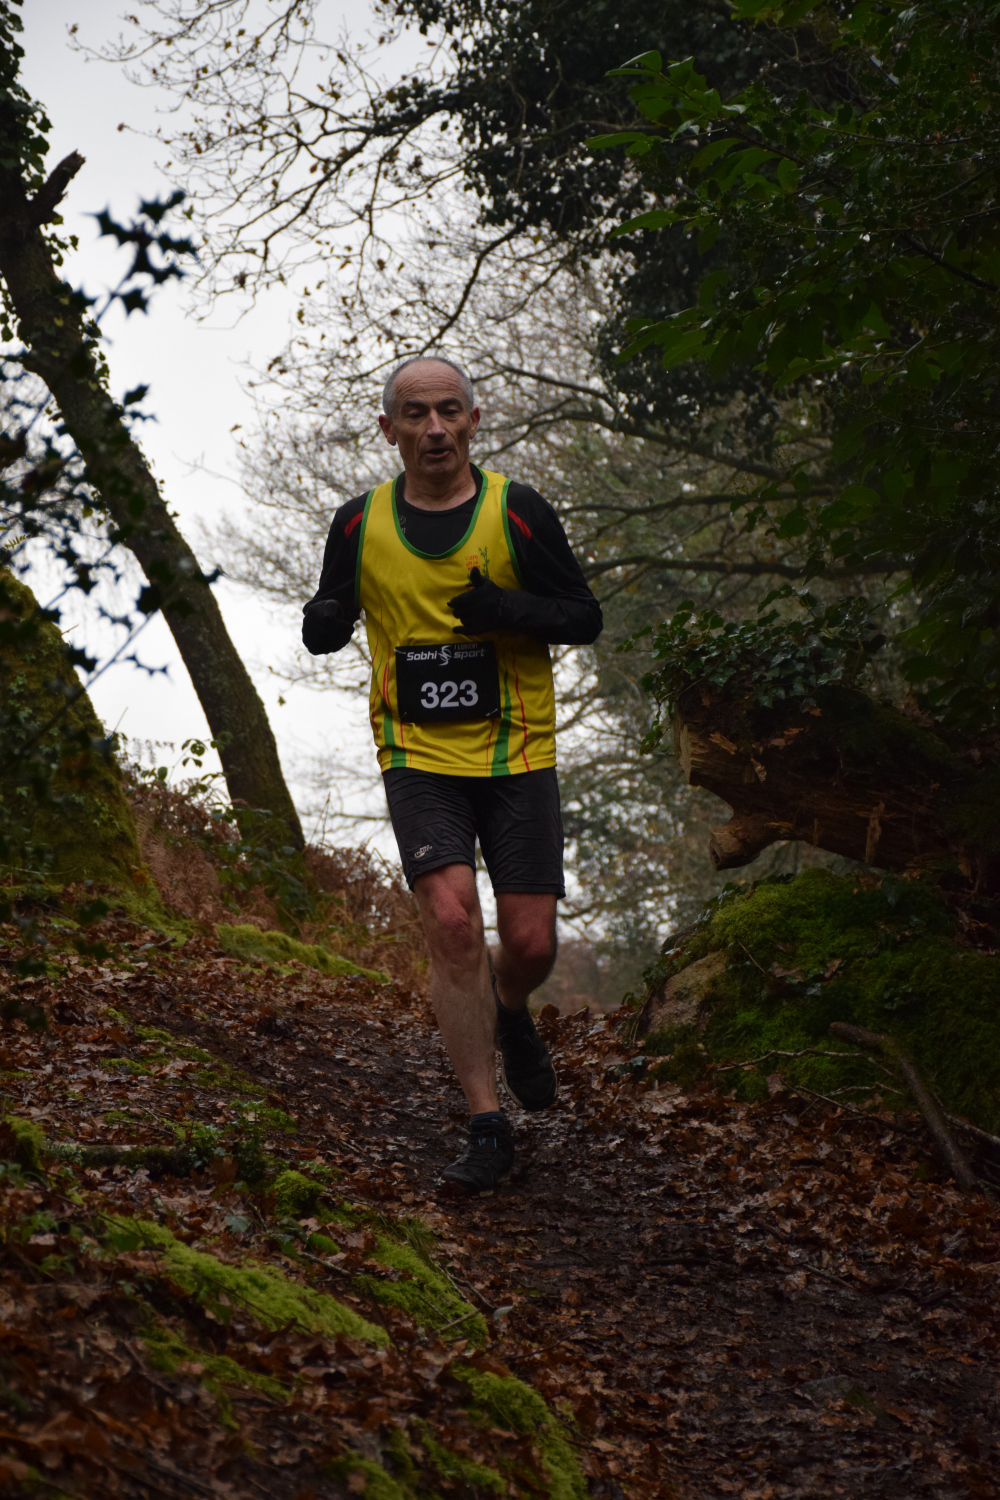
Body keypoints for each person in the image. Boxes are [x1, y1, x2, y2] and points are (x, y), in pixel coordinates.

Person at [302, 355, 603, 1194]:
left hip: (517, 750)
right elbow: (330, 617)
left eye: (447, 411)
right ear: (388, 429)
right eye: (415, 413)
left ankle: (509, 1009)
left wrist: (509, 610)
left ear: (474, 420)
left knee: (530, 942)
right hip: (417, 753)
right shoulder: (359, 524)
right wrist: (324, 620)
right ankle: (486, 1122)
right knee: (452, 923)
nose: (433, 428)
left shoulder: (518, 511)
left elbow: (585, 617)